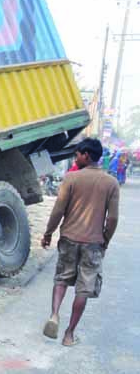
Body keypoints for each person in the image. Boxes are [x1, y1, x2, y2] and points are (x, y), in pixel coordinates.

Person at [41, 138, 119, 347]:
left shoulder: (71, 178)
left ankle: (55, 315)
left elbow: (58, 210)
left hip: (69, 239)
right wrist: (106, 239)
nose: (76, 159)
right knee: (83, 289)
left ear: (86, 155)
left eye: (77, 155)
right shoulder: (111, 183)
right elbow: (112, 219)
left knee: (62, 279)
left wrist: (48, 232)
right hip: (93, 242)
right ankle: (69, 335)